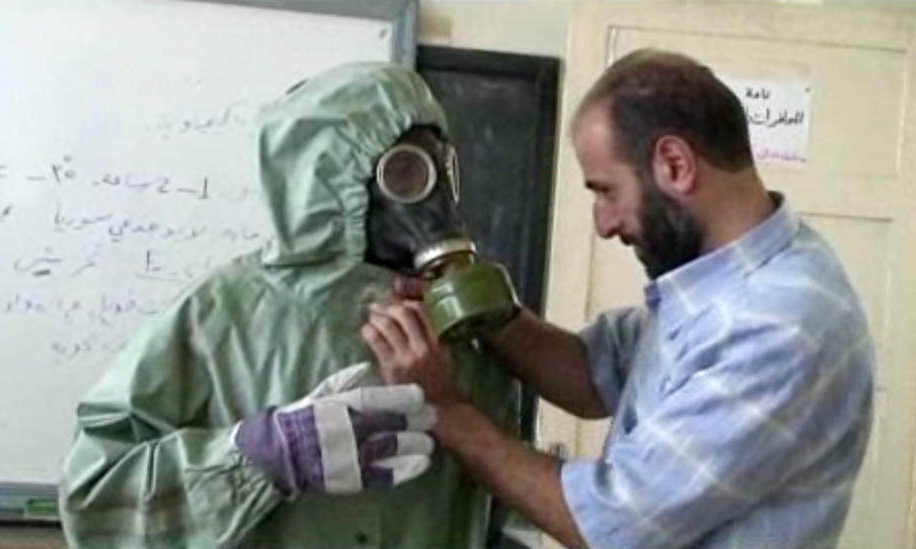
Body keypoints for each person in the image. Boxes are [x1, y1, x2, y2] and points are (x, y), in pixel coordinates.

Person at [361, 49, 875, 549]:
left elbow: (610, 527)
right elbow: (590, 373)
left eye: (606, 191)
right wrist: (483, 309)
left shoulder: (780, 324)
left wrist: (441, 408)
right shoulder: (728, 280)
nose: (603, 224)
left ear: (674, 164)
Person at [58, 63, 518, 549]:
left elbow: (489, 508)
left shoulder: (458, 331)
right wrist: (258, 458)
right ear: (329, 178)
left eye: (443, 170)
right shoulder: (222, 316)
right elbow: (95, 500)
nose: (436, 202)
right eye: (406, 174)